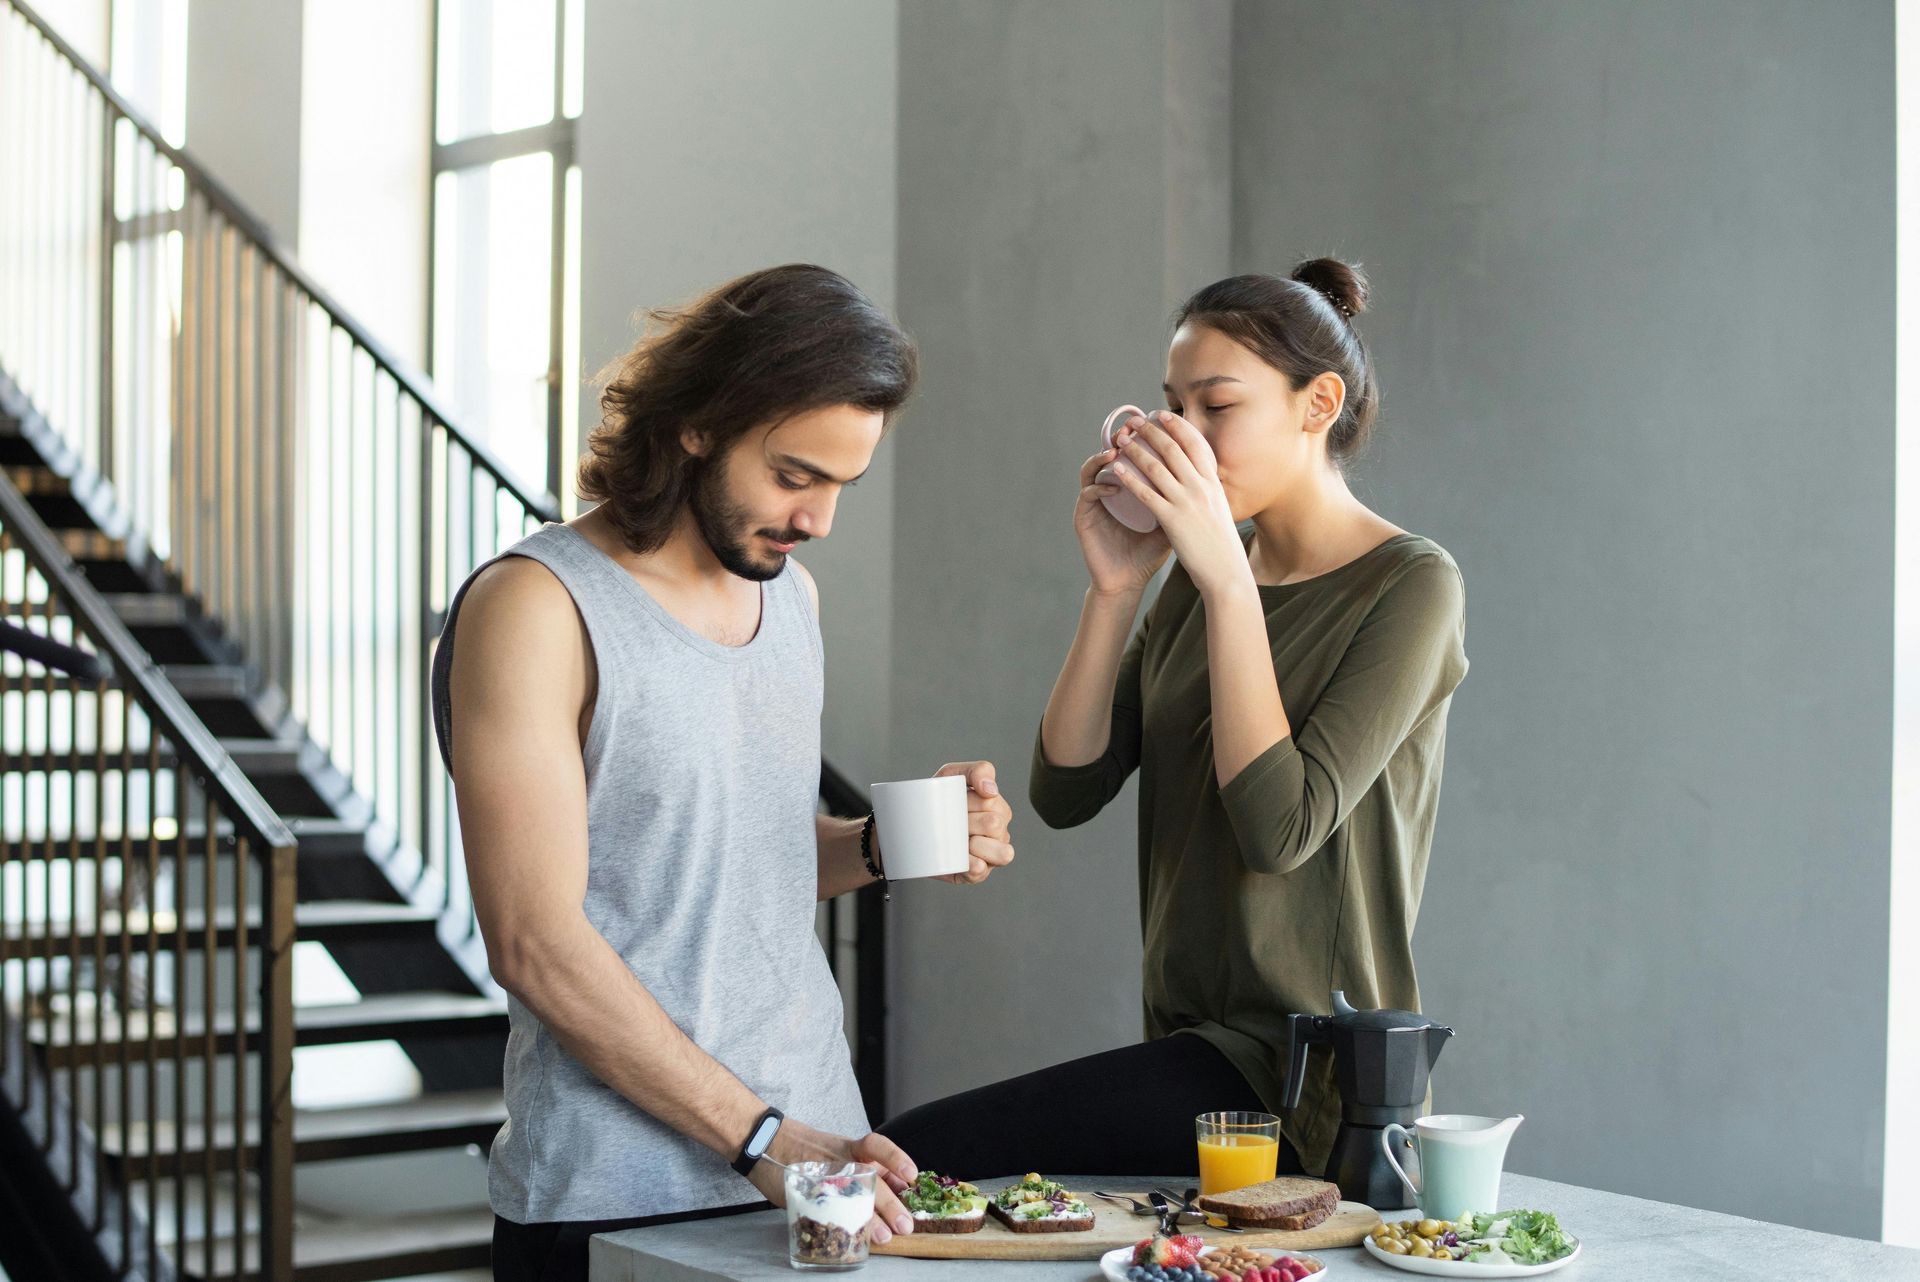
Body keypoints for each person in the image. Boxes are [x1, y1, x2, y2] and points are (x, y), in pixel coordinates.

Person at [432, 264, 1017, 1282]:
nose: (819, 519)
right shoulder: (535, 608)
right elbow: (534, 940)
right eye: (795, 475)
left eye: (841, 484)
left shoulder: (792, 602)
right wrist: (761, 1138)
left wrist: (890, 845)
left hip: (821, 1176)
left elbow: (737, 858)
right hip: (613, 1193)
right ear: (699, 422)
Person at [881, 259, 1467, 1183]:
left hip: (1307, 1073)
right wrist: (1116, 589)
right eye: (1172, 407)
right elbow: (1067, 789)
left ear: (1318, 404)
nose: (1182, 437)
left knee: (919, 1155)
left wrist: (1226, 581)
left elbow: (1280, 828)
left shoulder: (1409, 585)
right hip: (1190, 1044)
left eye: (1217, 407)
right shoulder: (1200, 576)